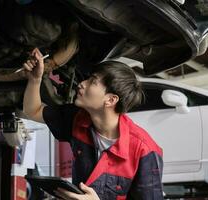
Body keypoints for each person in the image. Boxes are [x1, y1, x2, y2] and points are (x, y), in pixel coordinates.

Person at [23, 48, 164, 200]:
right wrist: (35, 79)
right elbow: (33, 110)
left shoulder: (145, 151)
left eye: (93, 82)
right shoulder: (77, 119)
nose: (82, 84)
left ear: (110, 100)